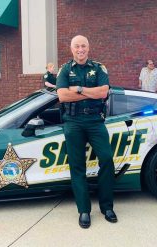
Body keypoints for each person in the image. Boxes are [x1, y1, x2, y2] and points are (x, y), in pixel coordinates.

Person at [56, 35, 117, 229]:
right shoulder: (65, 69)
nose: (80, 49)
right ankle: (84, 210)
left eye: (83, 46)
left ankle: (107, 207)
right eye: (77, 46)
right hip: (73, 122)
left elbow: (103, 92)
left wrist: (79, 89)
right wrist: (90, 91)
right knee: (77, 166)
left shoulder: (99, 68)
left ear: (88, 48)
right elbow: (63, 96)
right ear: (71, 49)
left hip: (94, 121)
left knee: (107, 159)